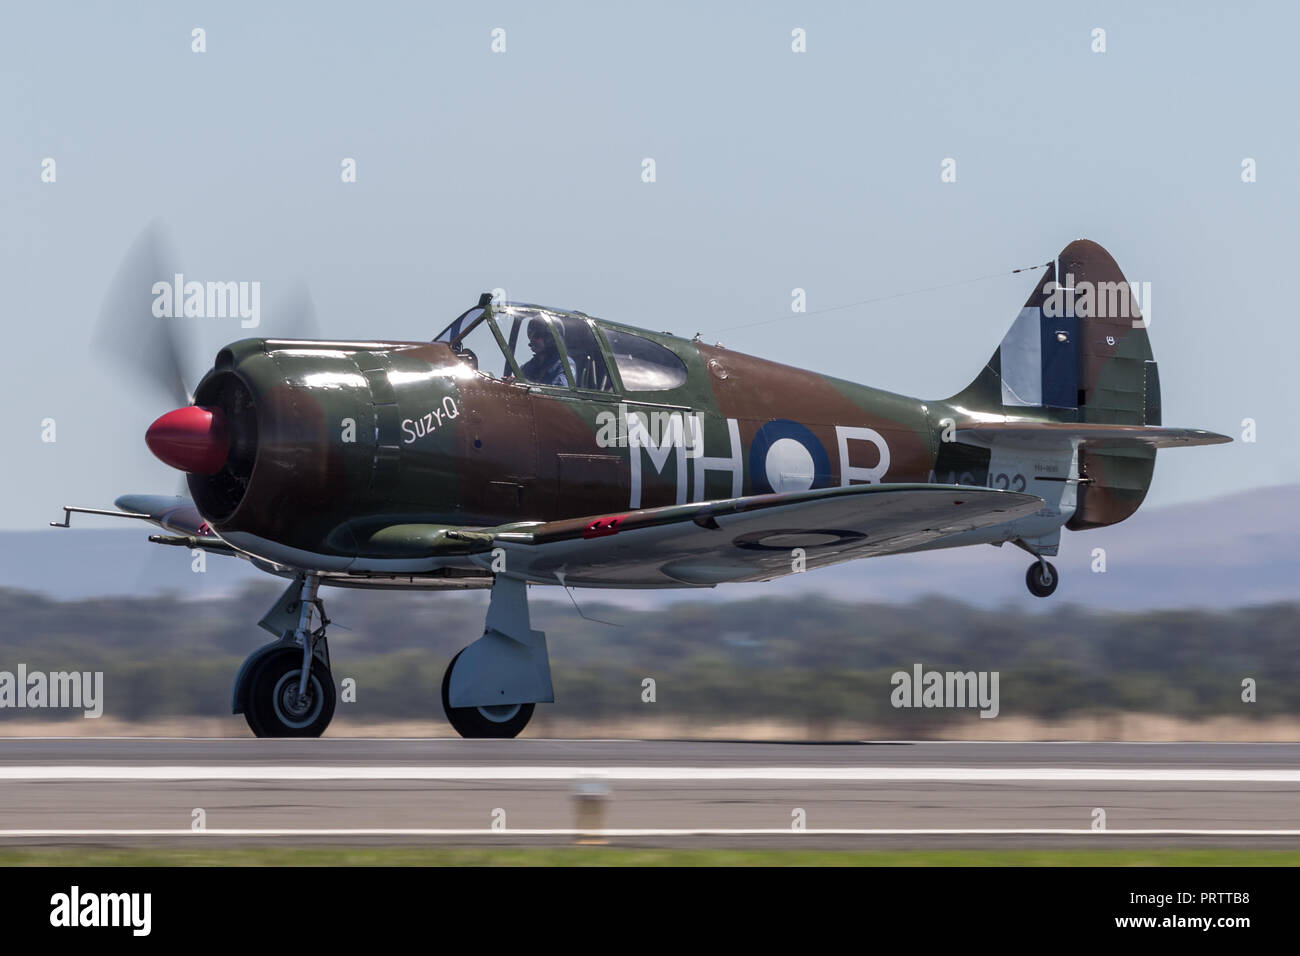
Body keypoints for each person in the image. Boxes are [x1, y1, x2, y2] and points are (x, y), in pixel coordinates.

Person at [516, 317, 575, 386]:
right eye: (531, 335)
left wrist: (527, 384)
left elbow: (560, 390)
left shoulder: (565, 365)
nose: (532, 339)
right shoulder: (528, 367)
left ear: (551, 338)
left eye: (537, 335)